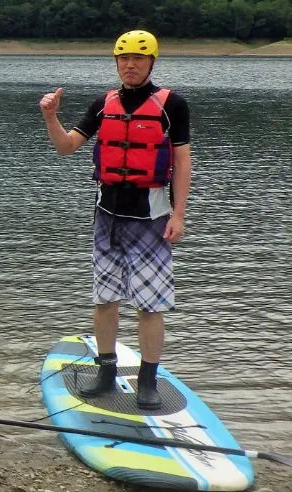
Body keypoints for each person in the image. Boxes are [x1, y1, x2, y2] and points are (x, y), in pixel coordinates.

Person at [38, 30, 191, 410]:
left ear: (152, 62)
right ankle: (105, 371)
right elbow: (65, 147)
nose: (130, 64)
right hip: (107, 216)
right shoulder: (103, 104)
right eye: (124, 58)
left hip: (152, 217)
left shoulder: (173, 105)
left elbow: (183, 162)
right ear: (116, 62)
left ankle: (148, 381)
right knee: (105, 298)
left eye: (138, 58)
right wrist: (51, 117)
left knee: (150, 304)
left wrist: (179, 214)